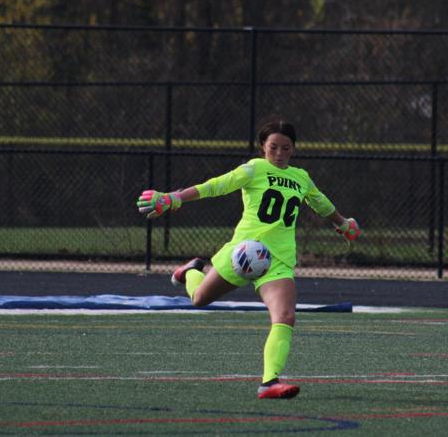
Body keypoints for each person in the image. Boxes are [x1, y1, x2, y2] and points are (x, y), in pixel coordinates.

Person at [136, 120, 360, 399]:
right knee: (199, 299)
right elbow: (215, 186)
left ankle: (269, 382)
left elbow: (321, 203)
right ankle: (194, 268)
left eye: (285, 148)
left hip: (277, 261)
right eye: (273, 147)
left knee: (286, 316)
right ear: (263, 148)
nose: (279, 153)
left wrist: (343, 223)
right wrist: (174, 198)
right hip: (243, 253)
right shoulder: (253, 168)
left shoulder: (301, 177)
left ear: (294, 150)